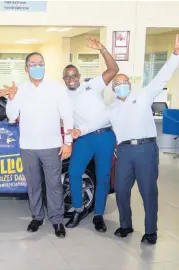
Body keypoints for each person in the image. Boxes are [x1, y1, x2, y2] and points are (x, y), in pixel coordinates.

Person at [69, 34, 179, 245]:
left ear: (129, 84)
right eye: (117, 84)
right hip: (124, 152)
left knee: (148, 191)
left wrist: (175, 56)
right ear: (113, 89)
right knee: (120, 189)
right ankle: (126, 225)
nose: (120, 85)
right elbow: (96, 123)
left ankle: (150, 231)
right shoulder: (111, 109)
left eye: (123, 82)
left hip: (146, 149)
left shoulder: (144, 95)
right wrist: (79, 131)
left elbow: (162, 77)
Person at [0, 52, 74, 238]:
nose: (37, 67)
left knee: (54, 184)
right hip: (28, 146)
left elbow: (68, 115)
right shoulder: (20, 90)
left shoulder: (56, 88)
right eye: (33, 64)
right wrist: (12, 97)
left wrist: (68, 142)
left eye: (41, 63)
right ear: (26, 68)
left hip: (52, 146)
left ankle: (57, 220)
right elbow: (12, 116)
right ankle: (37, 217)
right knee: (33, 185)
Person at [63, 36, 119, 231]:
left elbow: (113, 70)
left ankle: (98, 215)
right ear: (64, 79)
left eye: (74, 75)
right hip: (84, 139)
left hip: (105, 136)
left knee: (103, 176)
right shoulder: (62, 96)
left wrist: (102, 49)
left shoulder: (92, 85)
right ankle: (78, 209)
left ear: (79, 76)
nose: (71, 79)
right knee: (74, 172)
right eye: (67, 76)